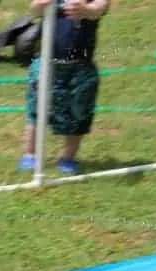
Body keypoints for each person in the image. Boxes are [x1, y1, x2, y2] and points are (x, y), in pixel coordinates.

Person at [19, 0, 111, 175]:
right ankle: (30, 155)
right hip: (46, 63)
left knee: (78, 114)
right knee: (37, 110)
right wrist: (42, 4)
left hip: (80, 65)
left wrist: (86, 10)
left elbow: (100, 8)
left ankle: (68, 158)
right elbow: (34, 9)